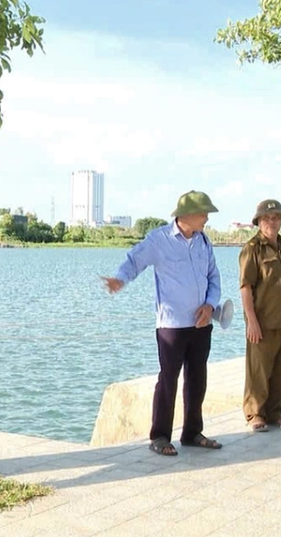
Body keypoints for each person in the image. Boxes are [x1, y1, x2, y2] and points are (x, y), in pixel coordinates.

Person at [102, 190, 223, 456]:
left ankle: (192, 433)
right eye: (204, 213)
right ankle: (159, 436)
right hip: (171, 325)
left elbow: (214, 277)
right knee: (168, 380)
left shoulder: (204, 242)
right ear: (187, 214)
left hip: (202, 324)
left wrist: (210, 304)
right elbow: (135, 260)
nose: (207, 218)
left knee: (197, 378)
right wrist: (120, 279)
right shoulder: (160, 239)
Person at [239, 199, 281, 432]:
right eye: (266, 218)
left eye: (276, 217)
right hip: (263, 322)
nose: (271, 222)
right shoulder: (252, 249)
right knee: (259, 371)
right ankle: (255, 414)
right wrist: (251, 321)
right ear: (258, 221)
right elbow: (246, 287)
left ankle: (275, 412)